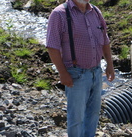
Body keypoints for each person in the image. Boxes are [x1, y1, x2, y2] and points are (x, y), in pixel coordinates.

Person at [45, 0, 115, 136]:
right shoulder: (59, 14)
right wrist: (62, 73)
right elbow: (52, 46)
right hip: (76, 74)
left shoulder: (95, 11)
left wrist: (110, 64)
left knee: (93, 114)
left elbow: (105, 41)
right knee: (76, 118)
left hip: (96, 71)